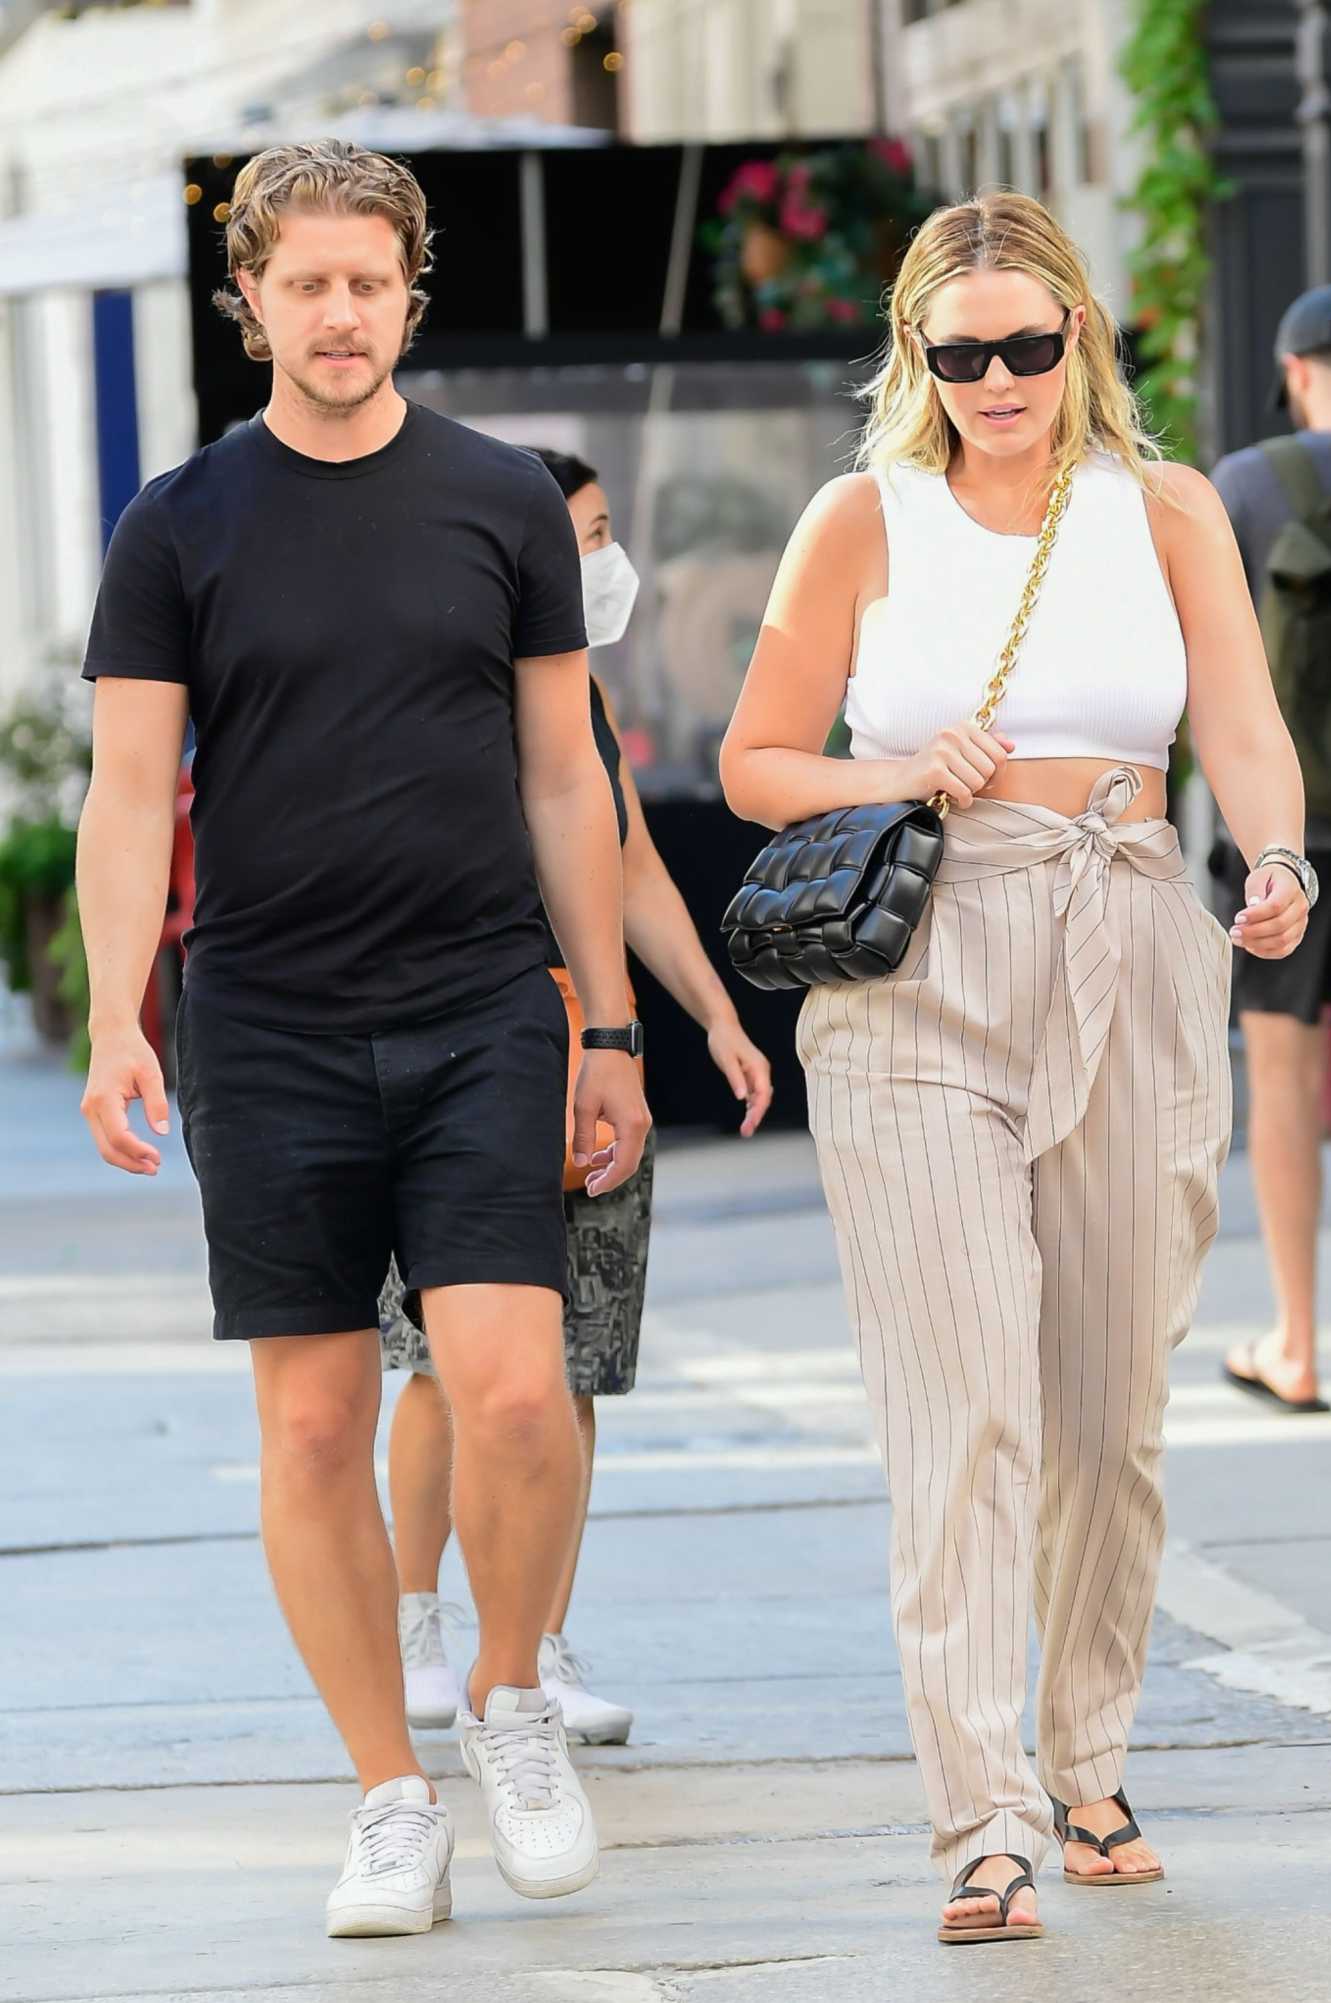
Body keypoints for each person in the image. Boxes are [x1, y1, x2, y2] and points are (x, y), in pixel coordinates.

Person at [720, 191, 1311, 1943]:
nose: (995, 381)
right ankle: (983, 1815)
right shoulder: (861, 518)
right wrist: (894, 773)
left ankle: (1088, 1749)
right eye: (959, 351)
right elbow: (757, 761)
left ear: (1079, 337)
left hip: (1130, 929)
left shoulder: (1167, 508)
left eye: (1027, 346)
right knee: (964, 1401)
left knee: (1111, 1404)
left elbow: (1244, 724)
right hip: (923, 966)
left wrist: (1274, 857)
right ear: (916, 351)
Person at [75, 141, 650, 1940]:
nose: (341, 313)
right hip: (266, 1020)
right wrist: (113, 1014)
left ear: (411, 292)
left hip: (483, 1003)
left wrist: (610, 1020)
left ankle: (509, 1697)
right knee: (316, 1419)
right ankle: (390, 1795)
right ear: (250, 297)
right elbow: (125, 791)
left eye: (370, 282)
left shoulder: (500, 501)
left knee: (515, 1388)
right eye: (307, 283)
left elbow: (567, 777)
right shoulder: (177, 522)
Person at [382, 445, 773, 1746]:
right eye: (582, 536)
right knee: (441, 1366)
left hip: (591, 1051)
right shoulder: (444, 676)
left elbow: (634, 865)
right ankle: (416, 1624)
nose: (605, 560)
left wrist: (713, 1012)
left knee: (579, 1362)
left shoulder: (585, 692)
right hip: (464, 1045)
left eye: (606, 533)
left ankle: (537, 1644)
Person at [1211, 286, 1331, 1416]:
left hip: (1279, 834)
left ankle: (1297, 1343)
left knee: (1279, 1076)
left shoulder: (1245, 484)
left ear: (1293, 371)